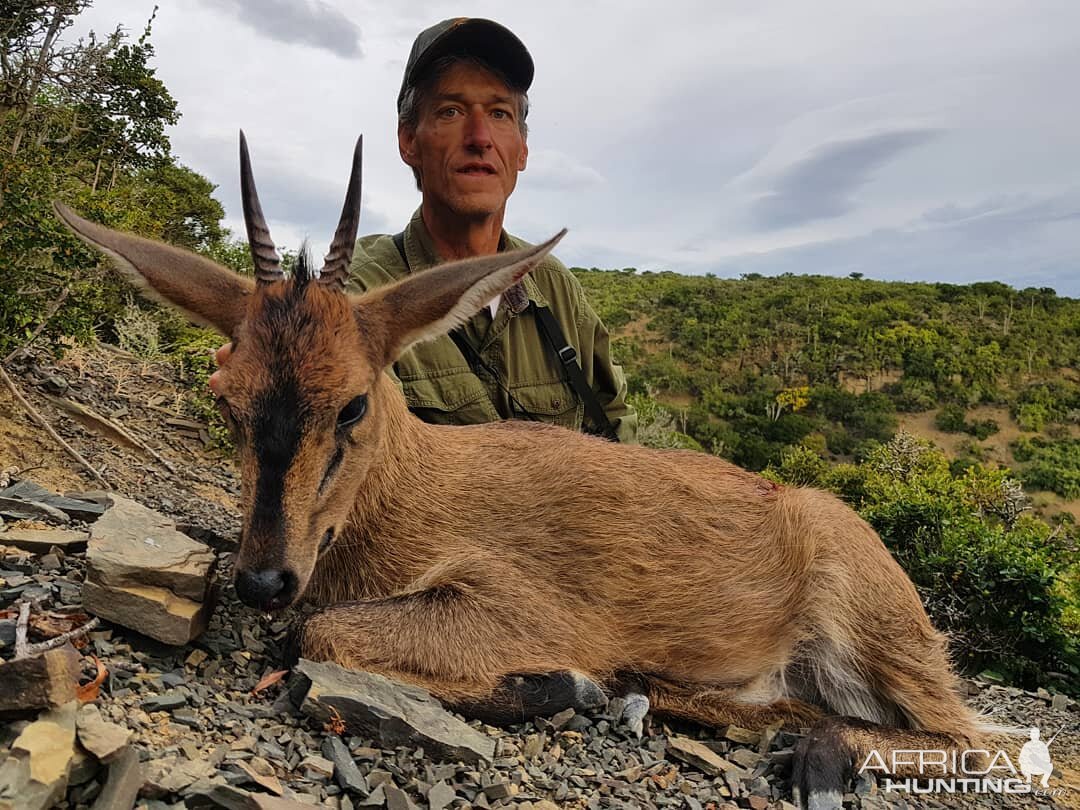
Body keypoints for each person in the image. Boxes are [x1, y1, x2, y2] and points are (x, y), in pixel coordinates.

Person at [215, 18, 636, 443]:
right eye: (450, 111)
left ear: (522, 149)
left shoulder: (556, 288)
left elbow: (614, 419)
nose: (479, 137)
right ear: (408, 141)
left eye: (499, 113)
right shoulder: (352, 294)